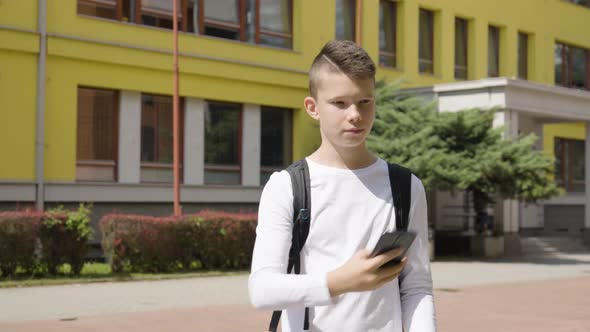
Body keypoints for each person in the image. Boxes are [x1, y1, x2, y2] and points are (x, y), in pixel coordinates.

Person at [248, 40, 436, 332]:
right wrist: (340, 281)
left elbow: (417, 286)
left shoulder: (406, 186)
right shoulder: (287, 186)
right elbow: (262, 289)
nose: (355, 115)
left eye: (365, 102)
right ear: (313, 107)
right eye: (339, 103)